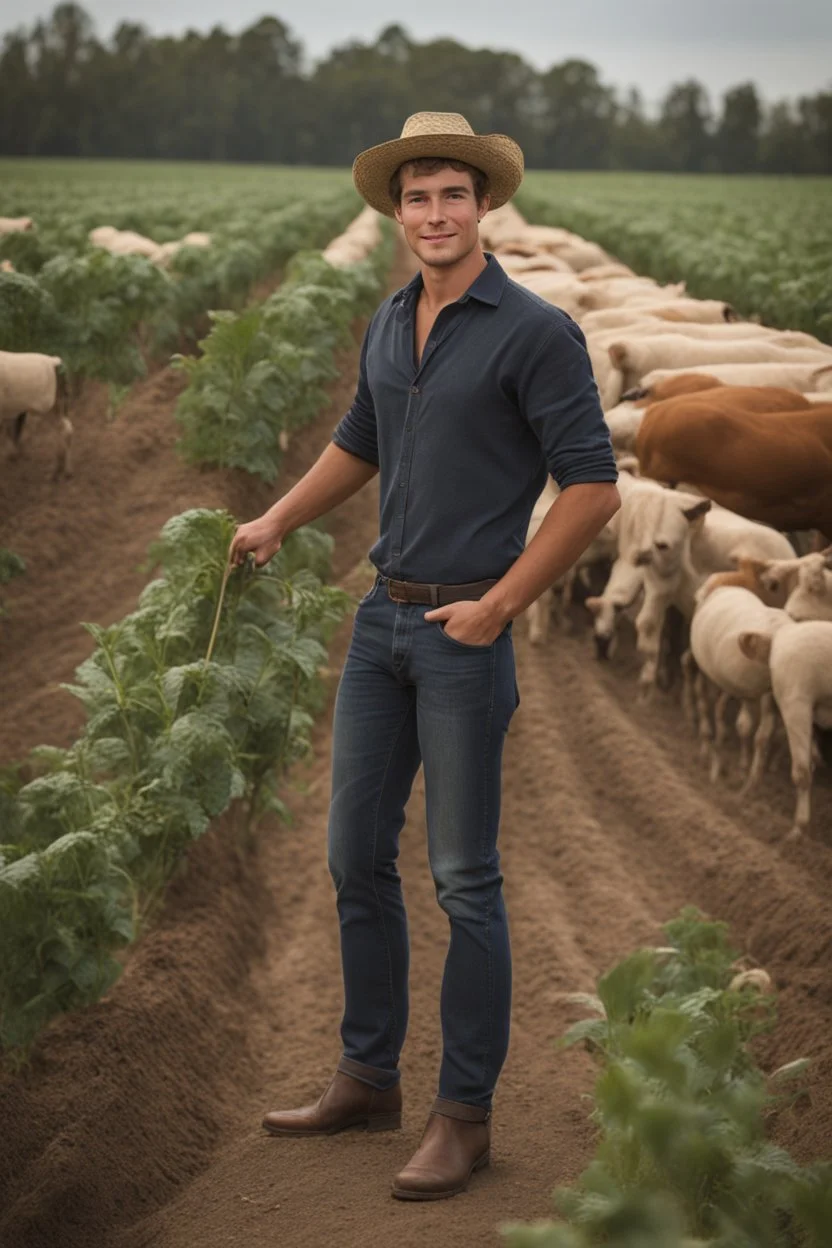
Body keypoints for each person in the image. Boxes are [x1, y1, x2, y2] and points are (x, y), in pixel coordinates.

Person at [229, 111, 620, 1201]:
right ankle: (367, 1076)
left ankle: (464, 1115)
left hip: (462, 633)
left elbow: (591, 486)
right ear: (393, 212)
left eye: (453, 193)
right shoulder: (391, 316)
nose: (434, 214)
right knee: (354, 855)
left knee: (462, 879)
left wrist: (499, 606)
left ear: (483, 203)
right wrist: (274, 519)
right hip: (381, 622)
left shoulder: (534, 330)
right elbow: (359, 437)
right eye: (416, 197)